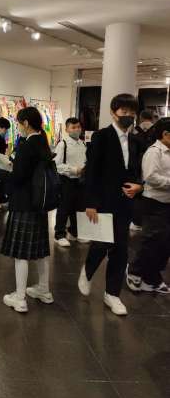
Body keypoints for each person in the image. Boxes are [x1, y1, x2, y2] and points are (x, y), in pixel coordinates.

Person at [78, 93, 143, 316]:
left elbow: (138, 171)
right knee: (101, 243)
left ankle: (112, 294)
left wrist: (139, 186)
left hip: (126, 202)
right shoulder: (101, 137)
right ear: (113, 113)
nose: (128, 116)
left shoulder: (136, 141)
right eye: (124, 112)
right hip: (104, 201)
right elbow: (92, 171)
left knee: (121, 249)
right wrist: (90, 202)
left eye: (132, 113)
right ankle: (87, 271)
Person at [0, 107, 54, 313]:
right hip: (40, 203)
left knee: (21, 254)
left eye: (18, 122)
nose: (17, 126)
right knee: (41, 251)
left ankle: (20, 297)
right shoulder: (42, 142)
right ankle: (44, 290)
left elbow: (17, 178)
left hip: (24, 203)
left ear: (25, 123)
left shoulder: (26, 145)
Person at [126, 118, 170, 294]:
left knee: (165, 243)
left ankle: (152, 276)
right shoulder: (154, 152)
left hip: (167, 202)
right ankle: (134, 271)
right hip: (154, 203)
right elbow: (151, 177)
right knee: (151, 240)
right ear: (165, 134)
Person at [54, 117, 88, 247]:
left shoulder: (83, 144)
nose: (77, 129)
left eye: (78, 127)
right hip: (67, 180)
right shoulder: (63, 144)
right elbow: (57, 165)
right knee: (64, 207)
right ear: (67, 129)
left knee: (79, 207)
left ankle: (74, 232)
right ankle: (59, 234)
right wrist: (74, 170)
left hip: (80, 181)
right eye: (73, 127)